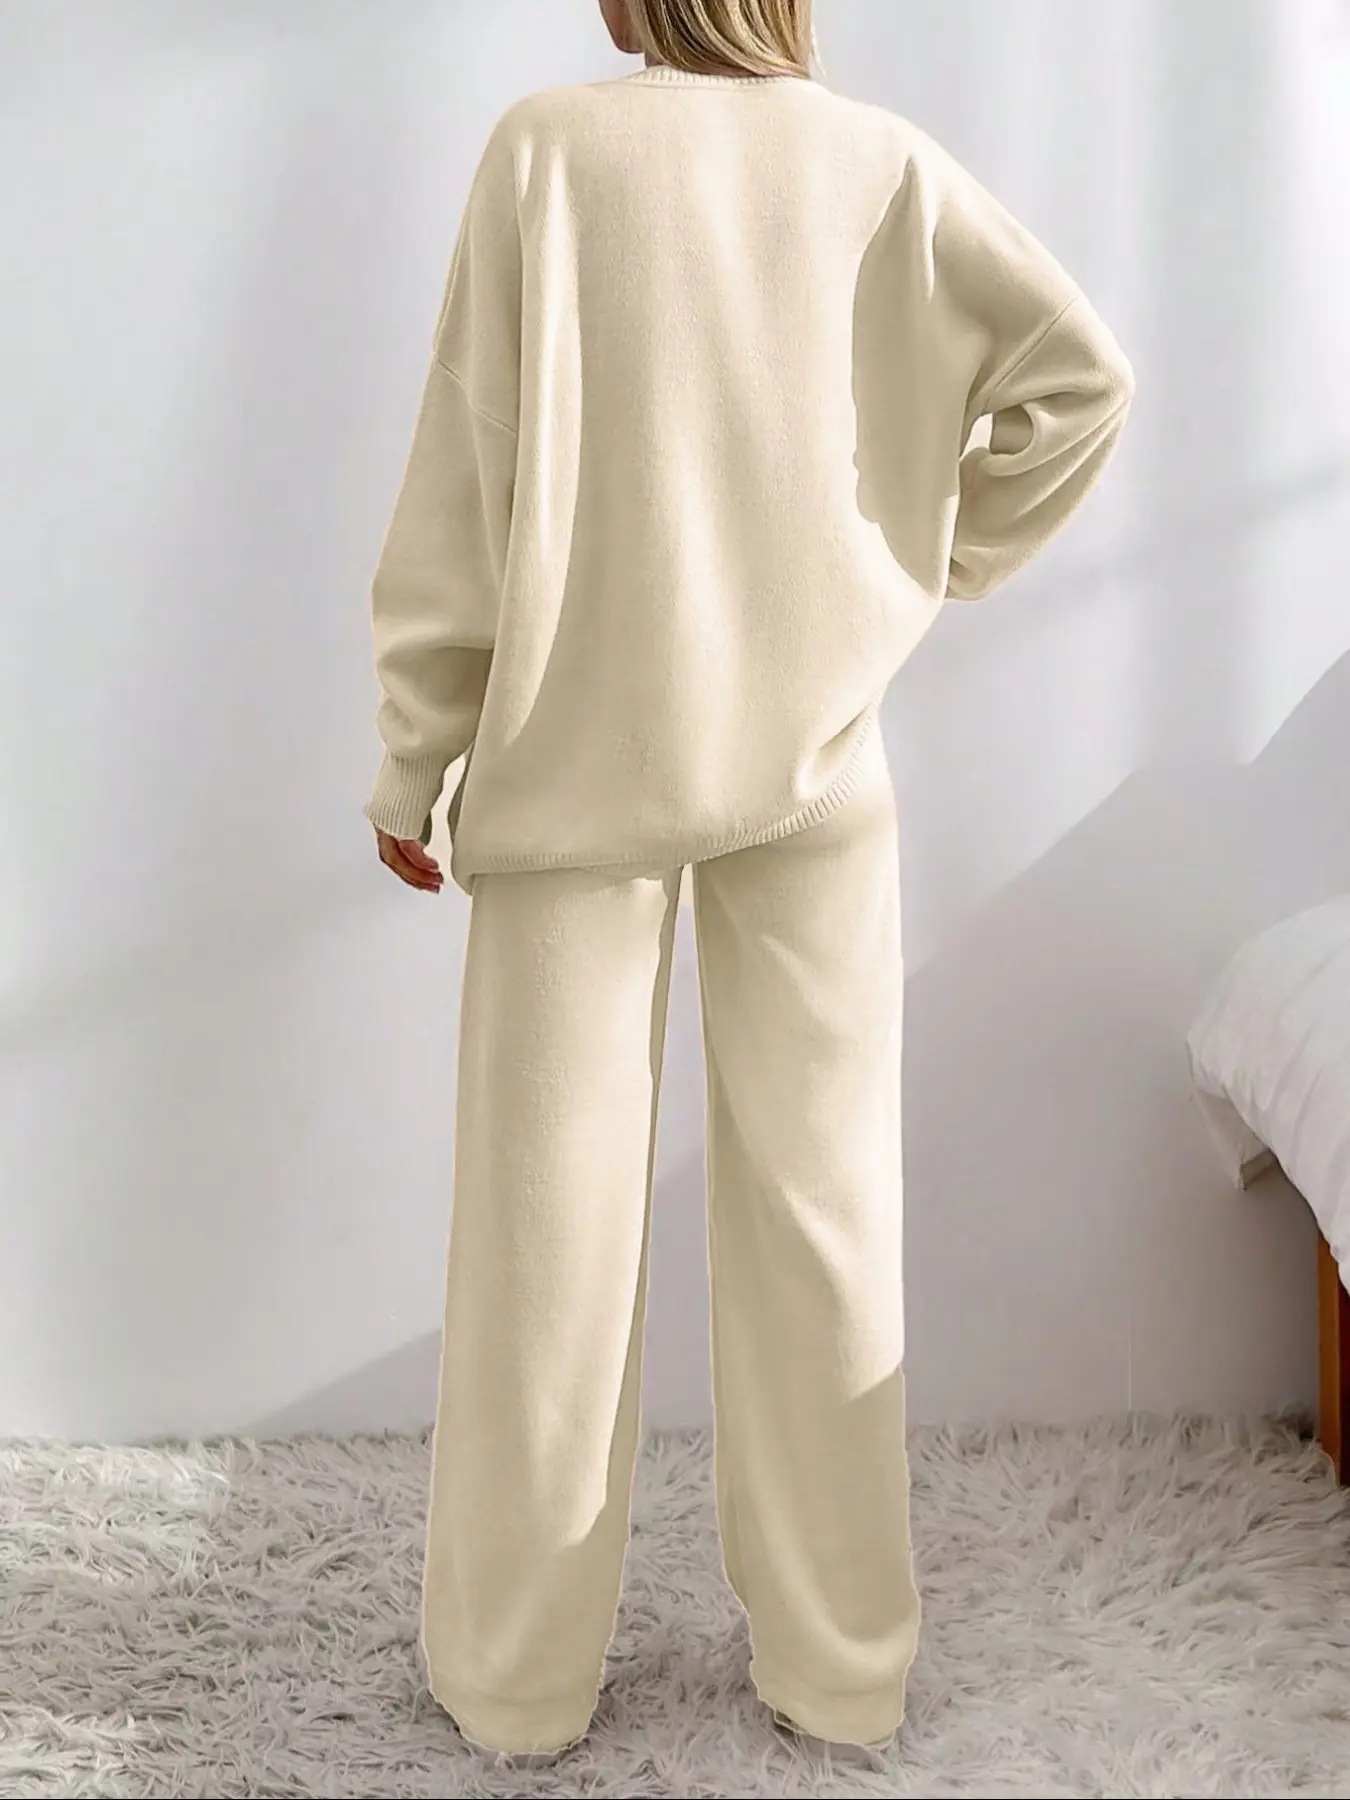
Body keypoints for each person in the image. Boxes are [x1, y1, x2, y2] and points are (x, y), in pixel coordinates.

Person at [365, 0, 1134, 1768]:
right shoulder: (875, 165)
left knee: (545, 1249)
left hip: (573, 768)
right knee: (820, 1218)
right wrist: (918, 565)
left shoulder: (549, 154)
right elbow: (1080, 385)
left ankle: (515, 1684)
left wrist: (417, 752)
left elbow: (467, 478)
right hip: (815, 765)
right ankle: (844, 1671)